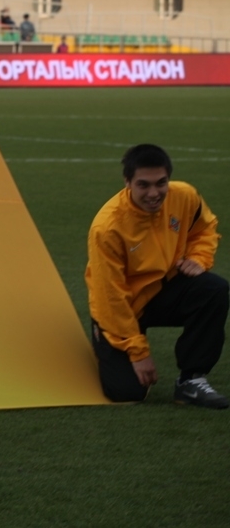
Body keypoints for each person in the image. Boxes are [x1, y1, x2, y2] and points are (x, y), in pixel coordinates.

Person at [86, 144, 228, 408]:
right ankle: (103, 337)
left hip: (163, 290)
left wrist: (199, 258)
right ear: (127, 182)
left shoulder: (185, 195)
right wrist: (138, 352)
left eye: (161, 183)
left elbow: (205, 228)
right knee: (126, 392)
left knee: (213, 290)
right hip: (123, 308)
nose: (154, 193)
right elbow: (110, 296)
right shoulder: (107, 228)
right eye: (143, 185)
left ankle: (191, 381)